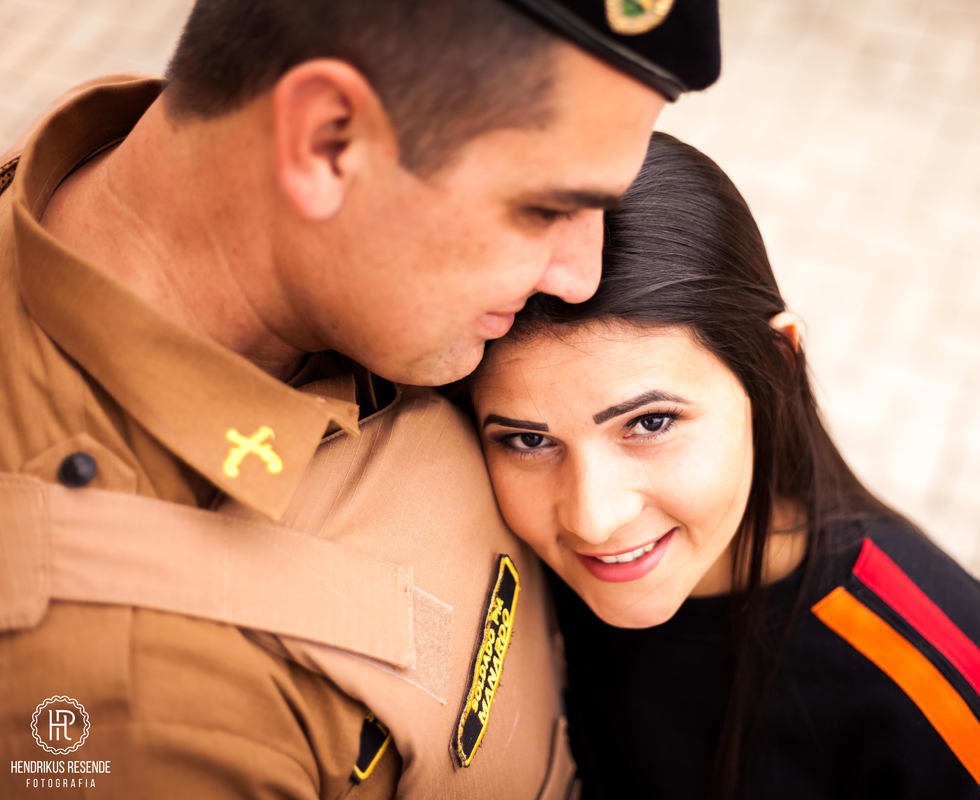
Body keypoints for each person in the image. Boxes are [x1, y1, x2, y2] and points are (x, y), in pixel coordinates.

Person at [0, 2, 720, 797]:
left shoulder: (187, 192)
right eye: (544, 208)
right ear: (326, 142)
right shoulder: (142, 708)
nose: (581, 277)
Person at [465, 132, 980, 799]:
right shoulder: (502, 564)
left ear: (776, 365)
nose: (593, 518)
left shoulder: (943, 706)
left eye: (650, 423)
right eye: (528, 442)